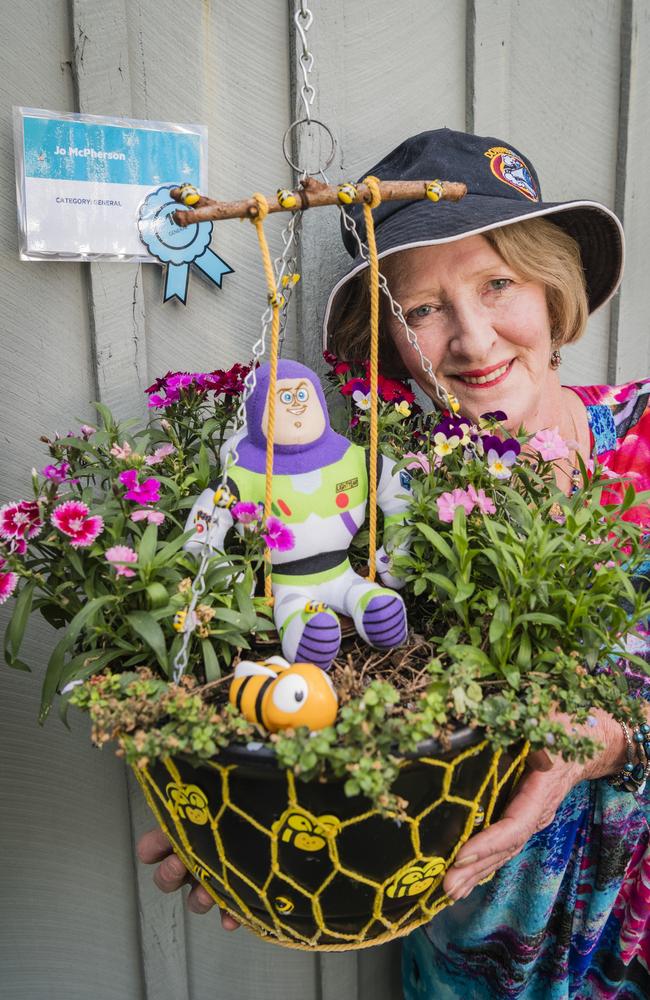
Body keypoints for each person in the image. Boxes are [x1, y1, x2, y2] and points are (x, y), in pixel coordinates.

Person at [138, 128, 650, 999]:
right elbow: (315, 675)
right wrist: (243, 805)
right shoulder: (386, 503)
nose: (474, 338)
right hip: (474, 951)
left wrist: (602, 742)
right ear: (393, 333)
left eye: (498, 283)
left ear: (553, 286)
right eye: (423, 308)